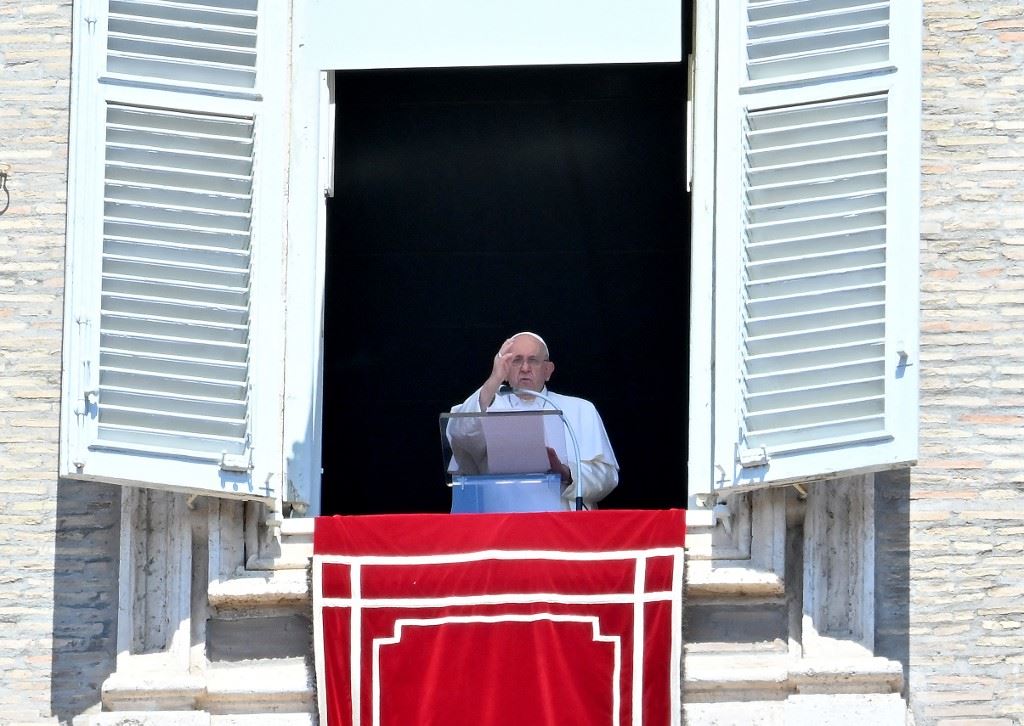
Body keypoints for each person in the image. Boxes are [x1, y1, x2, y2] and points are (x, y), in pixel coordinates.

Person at [448, 332, 618, 510]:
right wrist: (494, 379)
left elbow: (607, 477)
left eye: (533, 360)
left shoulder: (580, 409)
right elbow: (460, 434)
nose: (525, 368)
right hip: (501, 521)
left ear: (548, 370)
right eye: (516, 360)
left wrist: (566, 473)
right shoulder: (486, 405)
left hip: (560, 523)